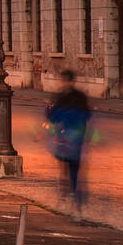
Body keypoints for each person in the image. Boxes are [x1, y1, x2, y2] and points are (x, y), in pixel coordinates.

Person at [45, 70, 92, 211]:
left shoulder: (59, 98)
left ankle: (66, 197)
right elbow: (87, 115)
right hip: (77, 137)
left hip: (66, 137)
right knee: (73, 167)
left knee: (65, 167)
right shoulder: (80, 97)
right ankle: (74, 197)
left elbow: (52, 116)